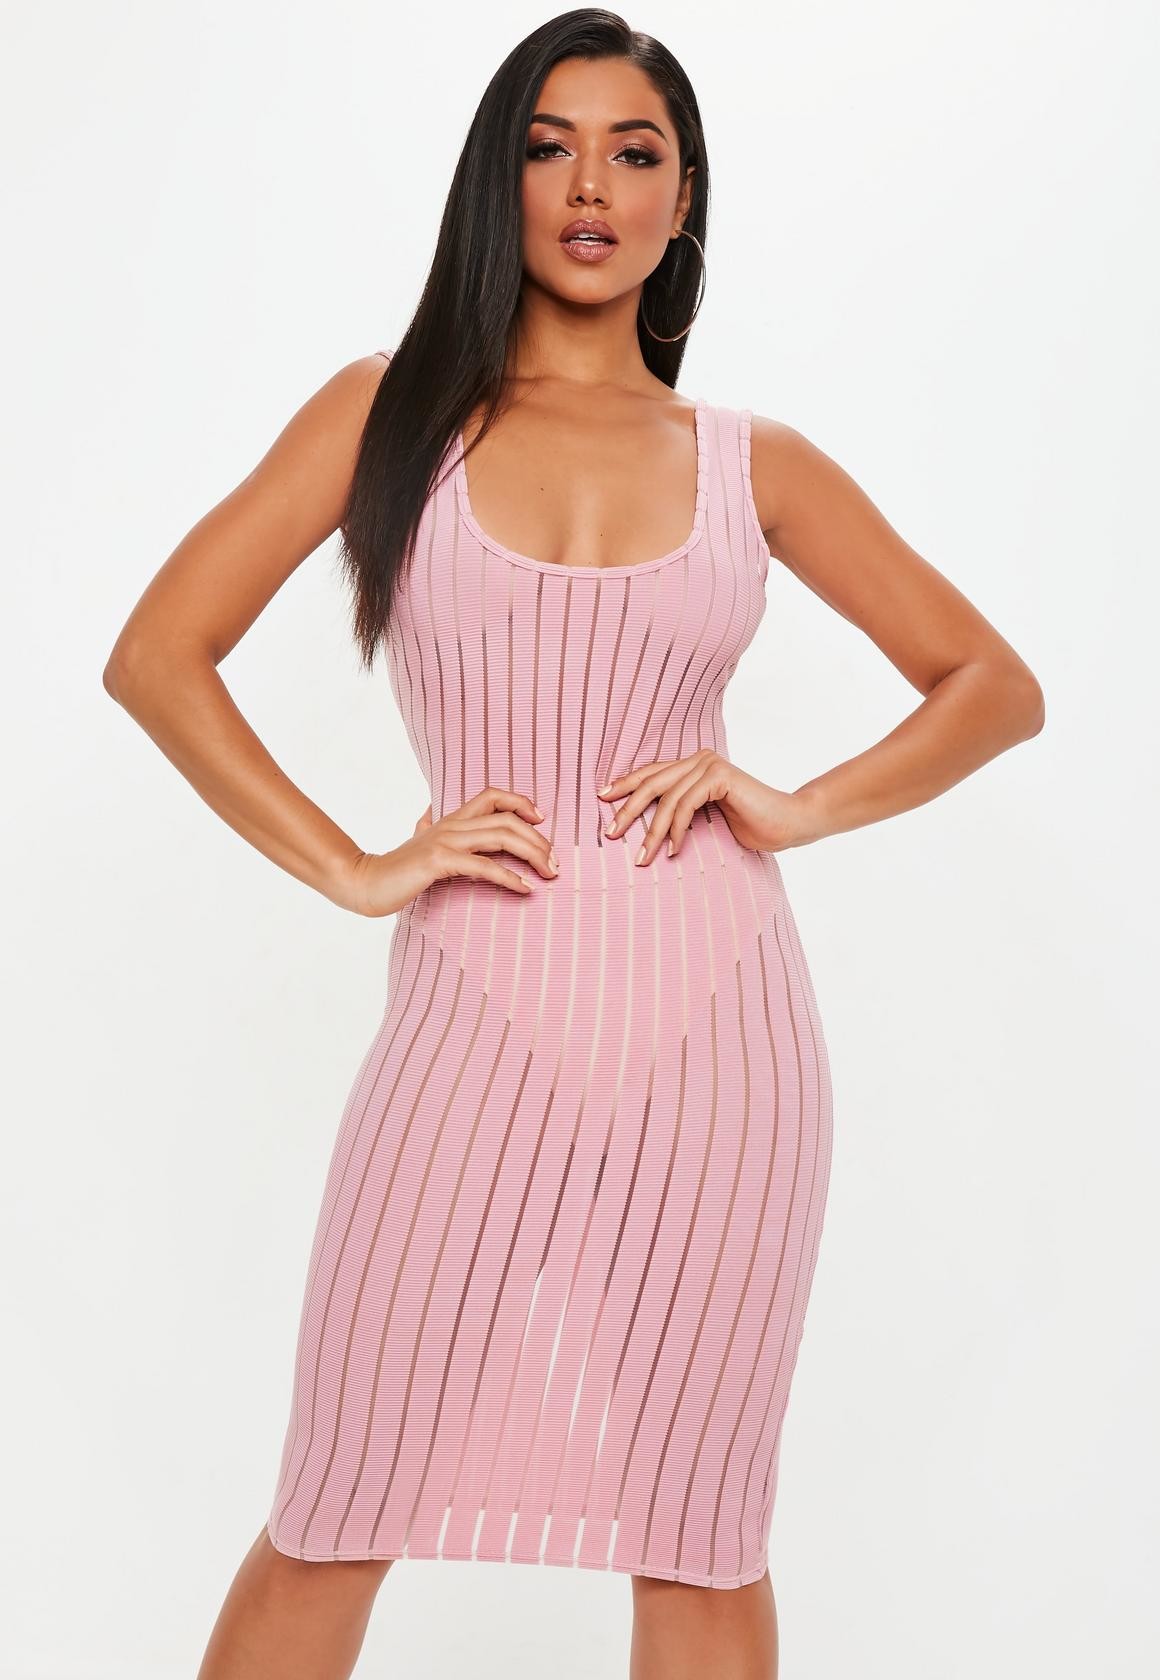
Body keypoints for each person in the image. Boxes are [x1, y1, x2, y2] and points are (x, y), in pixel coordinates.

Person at [102, 11, 1044, 1680]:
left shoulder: (755, 464)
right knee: (337, 1504)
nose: (592, 186)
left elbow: (994, 684)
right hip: (469, 1019)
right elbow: (158, 654)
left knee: (697, 1534)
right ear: (501, 181)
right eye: (550, 147)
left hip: (721, 1040)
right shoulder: (390, 415)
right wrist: (354, 866)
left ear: (685, 200)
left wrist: (796, 802)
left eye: (635, 151)